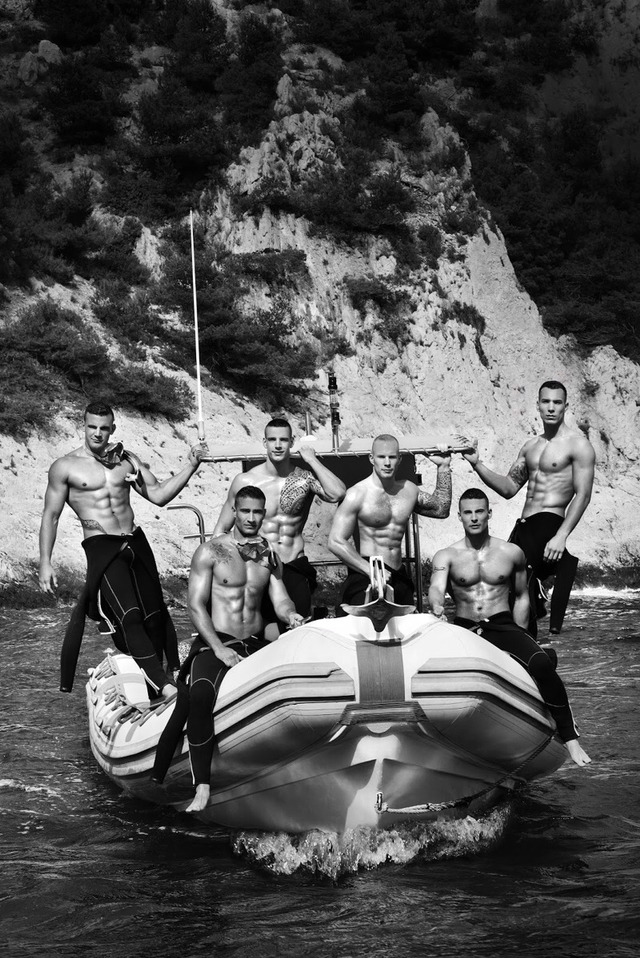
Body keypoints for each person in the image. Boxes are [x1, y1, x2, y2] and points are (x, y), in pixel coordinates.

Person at [39, 400, 208, 698]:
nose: (97, 433)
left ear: (112, 428)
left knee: (155, 618)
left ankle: (159, 686)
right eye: (92, 426)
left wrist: (191, 466)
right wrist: (45, 562)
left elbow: (159, 495)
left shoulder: (126, 460)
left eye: (104, 428)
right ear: (83, 426)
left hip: (135, 543)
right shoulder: (65, 467)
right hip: (102, 547)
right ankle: (165, 686)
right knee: (129, 616)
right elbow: (51, 516)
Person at [428, 488, 591, 767]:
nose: (474, 518)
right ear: (459, 516)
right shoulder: (446, 556)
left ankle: (570, 738)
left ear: (489, 513)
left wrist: (523, 636)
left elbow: (523, 596)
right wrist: (436, 606)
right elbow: (436, 587)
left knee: (540, 663)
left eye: (480, 511)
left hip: (501, 625)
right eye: (468, 512)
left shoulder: (511, 552)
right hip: (465, 628)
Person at [179, 485, 305, 812]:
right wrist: (218, 648)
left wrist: (291, 615)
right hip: (218, 640)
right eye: (245, 511)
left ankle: (289, 772)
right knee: (201, 695)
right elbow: (195, 605)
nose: (251, 518)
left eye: (257, 512)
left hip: (255, 642)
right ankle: (202, 786)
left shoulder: (268, 553)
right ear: (234, 511)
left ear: (265, 514)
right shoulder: (210, 551)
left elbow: (280, 599)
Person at [461, 381, 595, 635]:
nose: (551, 408)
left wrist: (562, 535)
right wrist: (477, 464)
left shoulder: (578, 445)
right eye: (546, 402)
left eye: (557, 402)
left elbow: (583, 495)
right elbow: (509, 487)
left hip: (549, 525)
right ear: (538, 405)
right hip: (523, 529)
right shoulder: (530, 447)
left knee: (522, 595)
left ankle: (525, 647)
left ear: (566, 406)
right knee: (507, 593)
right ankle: (518, 648)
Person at [213, 417, 346, 628]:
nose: (277, 445)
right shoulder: (246, 480)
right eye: (272, 439)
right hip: (259, 565)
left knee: (297, 627)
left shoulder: (304, 478)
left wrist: (312, 460)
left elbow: (337, 493)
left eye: (283, 440)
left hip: (293, 564)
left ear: (291, 442)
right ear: (264, 442)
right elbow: (220, 530)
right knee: (259, 631)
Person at [328, 433, 454, 609]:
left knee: (407, 624)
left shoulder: (408, 490)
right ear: (371, 459)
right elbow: (335, 541)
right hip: (366, 574)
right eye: (381, 457)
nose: (387, 463)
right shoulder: (357, 494)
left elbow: (441, 509)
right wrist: (369, 570)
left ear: (399, 459)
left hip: (398, 575)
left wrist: (443, 467)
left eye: (392, 457)